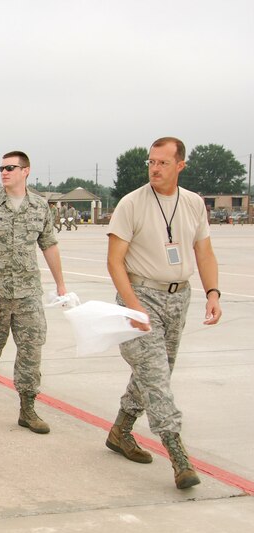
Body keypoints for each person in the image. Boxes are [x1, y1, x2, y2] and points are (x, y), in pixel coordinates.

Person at [105, 136, 221, 490]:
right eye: (151, 162)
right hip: (139, 296)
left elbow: (204, 252)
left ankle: (121, 431)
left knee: (157, 371)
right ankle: (178, 457)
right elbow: (114, 261)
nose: (155, 168)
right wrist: (133, 305)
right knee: (156, 376)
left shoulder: (192, 204)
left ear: (180, 165)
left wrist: (212, 293)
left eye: (162, 163)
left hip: (178, 299)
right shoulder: (132, 203)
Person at [0, 151, 67, 435]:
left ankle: (27, 408)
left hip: (28, 294)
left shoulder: (39, 206)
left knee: (31, 350)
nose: (4, 172)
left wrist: (60, 284)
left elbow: (49, 245)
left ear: (26, 171)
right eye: (1, 168)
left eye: (10, 168)